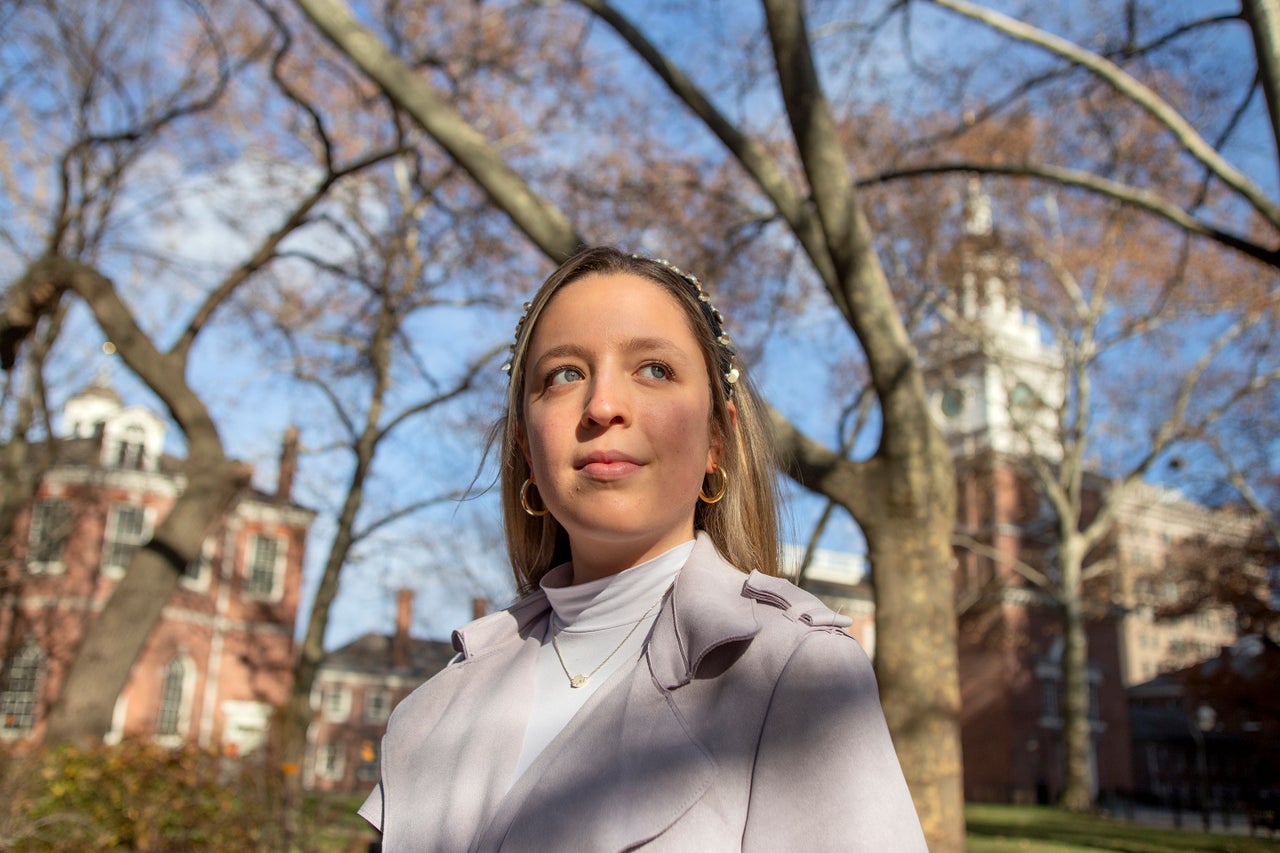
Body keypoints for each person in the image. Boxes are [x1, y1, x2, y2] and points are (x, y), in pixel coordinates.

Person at [359, 246, 927, 851]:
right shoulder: (433, 711)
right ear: (527, 447)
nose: (604, 406)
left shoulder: (795, 675)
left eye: (654, 369)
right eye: (565, 374)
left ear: (717, 440)